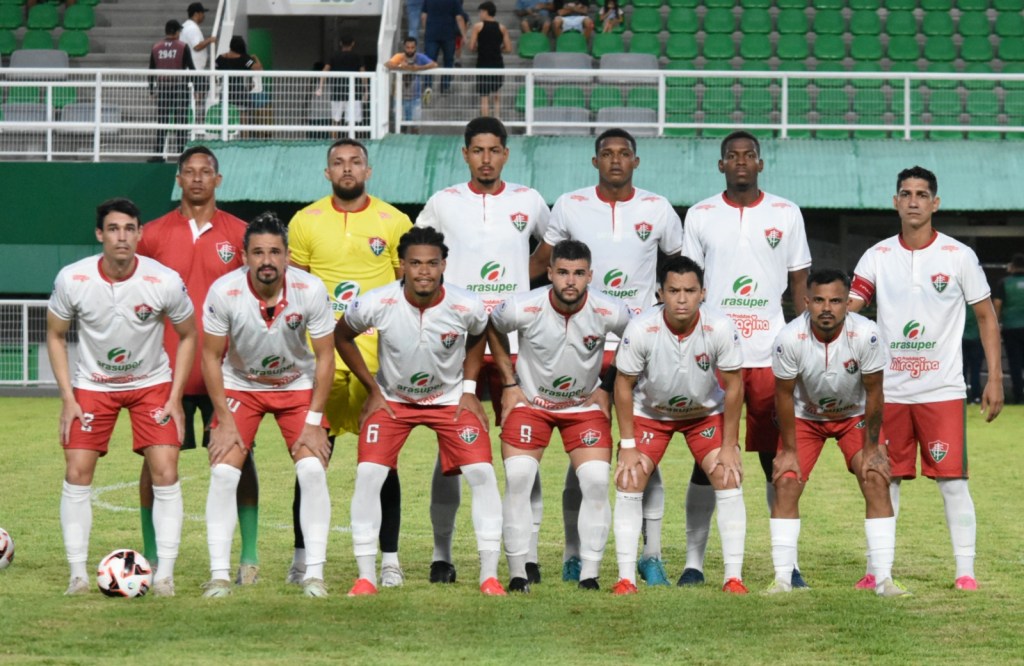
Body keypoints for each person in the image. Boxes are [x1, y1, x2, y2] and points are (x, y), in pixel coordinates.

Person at [531, 128, 683, 587]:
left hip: (642, 344)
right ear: (594, 161)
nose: (616, 160)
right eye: (607, 153)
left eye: (624, 154)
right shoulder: (570, 205)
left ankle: (651, 555)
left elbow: (679, 271)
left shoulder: (658, 208)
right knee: (585, 457)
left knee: (645, 452)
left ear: (636, 161)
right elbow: (539, 265)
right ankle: (573, 553)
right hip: (584, 343)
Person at [849, 165, 1004, 590]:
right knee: (884, 479)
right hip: (890, 392)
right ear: (895, 202)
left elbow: (985, 317)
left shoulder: (958, 255)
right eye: (906, 193)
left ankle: (965, 572)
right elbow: (851, 307)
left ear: (935, 203)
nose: (913, 201)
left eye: (921, 194)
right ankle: (877, 570)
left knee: (953, 483)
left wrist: (993, 378)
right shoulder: (877, 256)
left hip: (942, 390)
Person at [415, 117, 550, 584]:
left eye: (494, 150)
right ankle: (442, 555)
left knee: (523, 449)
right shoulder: (443, 202)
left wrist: (519, 281)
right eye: (478, 150)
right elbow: (419, 252)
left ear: (506, 154)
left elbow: (549, 248)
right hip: (457, 342)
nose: (486, 159)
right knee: (450, 450)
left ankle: (527, 554)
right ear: (465, 154)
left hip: (517, 342)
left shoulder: (528, 200)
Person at [337, 226, 506, 597]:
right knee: (368, 474)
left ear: (444, 265)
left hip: (449, 400)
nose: (424, 271)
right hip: (393, 400)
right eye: (415, 263)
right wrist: (372, 388)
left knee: (482, 473)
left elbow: (479, 333)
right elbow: (342, 335)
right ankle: (365, 578)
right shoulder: (376, 302)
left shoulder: (466, 305)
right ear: (402, 265)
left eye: (432, 263)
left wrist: (469, 390)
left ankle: (489, 577)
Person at [680, 130, 812, 588]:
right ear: (721, 165)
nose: (740, 161)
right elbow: (688, 283)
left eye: (749, 155)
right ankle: (694, 564)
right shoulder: (700, 215)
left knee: (776, 462)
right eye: (732, 156)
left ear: (760, 163)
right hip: (717, 356)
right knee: (708, 462)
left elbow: (800, 283)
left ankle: (787, 565)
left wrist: (802, 339)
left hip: (771, 356)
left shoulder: (786, 212)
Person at [47, 197, 198, 597]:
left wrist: (175, 397)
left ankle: (165, 576)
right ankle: (78, 576)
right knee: (77, 472)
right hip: (93, 385)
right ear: (100, 234)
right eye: (113, 229)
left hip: (151, 382)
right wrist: (68, 397)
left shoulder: (163, 280)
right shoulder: (73, 279)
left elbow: (188, 335)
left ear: (140, 233)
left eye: (130, 229)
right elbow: (55, 334)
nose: (122, 237)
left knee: (166, 471)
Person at [288, 138, 413, 587]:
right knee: (310, 462)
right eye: (338, 163)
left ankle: (390, 561)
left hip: (375, 365)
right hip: (319, 360)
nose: (347, 169)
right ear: (327, 173)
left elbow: (404, 291)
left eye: (355, 162)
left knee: (382, 464)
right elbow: (296, 289)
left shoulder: (394, 221)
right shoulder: (305, 221)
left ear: (368, 171)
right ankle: (302, 560)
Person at [136, 146, 262, 585]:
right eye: (188, 171)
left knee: (238, 460)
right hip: (164, 372)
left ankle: (248, 557)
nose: (196, 178)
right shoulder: (151, 235)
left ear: (218, 180)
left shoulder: (241, 235)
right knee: (156, 463)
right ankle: (151, 556)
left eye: (205, 171)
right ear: (178, 179)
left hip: (225, 373)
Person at [200, 213, 336, 598]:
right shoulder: (224, 292)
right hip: (241, 385)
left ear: (288, 256)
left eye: (275, 252)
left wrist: (314, 421)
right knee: (223, 473)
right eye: (258, 252)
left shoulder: (311, 289)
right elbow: (210, 357)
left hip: (296, 385)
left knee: (312, 470)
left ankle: (314, 575)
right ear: (244, 257)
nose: (267, 261)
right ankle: (219, 576)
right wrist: (224, 419)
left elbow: (326, 357)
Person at [490, 239, 631, 592]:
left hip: (583, 407)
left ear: (590, 276)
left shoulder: (610, 310)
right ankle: (519, 573)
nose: (570, 281)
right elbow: (491, 325)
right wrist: (509, 382)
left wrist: (606, 386)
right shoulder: (522, 306)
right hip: (531, 404)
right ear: (550, 272)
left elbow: (635, 338)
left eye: (579, 273)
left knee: (596, 482)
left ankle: (589, 577)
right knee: (519, 478)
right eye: (563, 272)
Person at [611, 256, 747, 595]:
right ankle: (626, 579)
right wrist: (627, 446)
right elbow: (623, 386)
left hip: (703, 414)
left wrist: (729, 446)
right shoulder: (641, 329)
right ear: (660, 293)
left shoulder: (720, 327)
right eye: (673, 291)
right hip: (651, 414)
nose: (682, 299)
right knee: (629, 477)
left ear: (703, 293)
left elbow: (735, 387)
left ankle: (733, 578)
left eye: (690, 291)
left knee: (728, 474)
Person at [768, 269, 908, 597]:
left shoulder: (867, 335)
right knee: (786, 482)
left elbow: (875, 392)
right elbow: (783, 396)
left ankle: (883, 580)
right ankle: (782, 580)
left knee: (876, 477)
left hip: (853, 416)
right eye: (819, 300)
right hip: (805, 418)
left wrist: (872, 448)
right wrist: (789, 450)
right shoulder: (789, 338)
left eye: (835, 301)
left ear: (847, 303)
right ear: (806, 302)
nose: (826, 308)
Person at [148, 20, 194, 160]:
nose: (180, 33)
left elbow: (151, 70)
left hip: (163, 89)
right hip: (180, 89)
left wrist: (151, 89)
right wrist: (198, 87)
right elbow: (192, 68)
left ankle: (158, 154)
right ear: (175, 32)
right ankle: (182, 154)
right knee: (181, 122)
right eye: (179, 31)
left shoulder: (156, 47)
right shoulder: (183, 46)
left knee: (162, 122)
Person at [214, 35, 267, 134]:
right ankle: (244, 139)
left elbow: (214, 71)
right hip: (240, 93)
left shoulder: (220, 58)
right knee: (244, 119)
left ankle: (226, 137)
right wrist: (255, 57)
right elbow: (258, 68)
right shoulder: (244, 59)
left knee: (227, 118)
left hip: (226, 93)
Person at [315, 34, 365, 137]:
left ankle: (334, 142)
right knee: (353, 122)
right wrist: (365, 90)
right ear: (353, 44)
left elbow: (325, 70)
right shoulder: (357, 56)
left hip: (337, 92)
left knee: (335, 121)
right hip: (354, 93)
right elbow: (363, 74)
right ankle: (353, 142)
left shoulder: (333, 56)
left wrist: (320, 87)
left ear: (340, 43)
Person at [469, 2, 511, 119]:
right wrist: (498, 49)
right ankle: (497, 118)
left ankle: (485, 121)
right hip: (497, 63)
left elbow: (471, 47)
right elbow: (508, 48)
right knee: (496, 93)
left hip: (483, 63)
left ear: (485, 12)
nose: (480, 14)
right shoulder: (502, 28)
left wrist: (481, 48)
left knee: (484, 96)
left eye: (481, 12)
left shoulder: (478, 27)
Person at [385, 37, 438, 128]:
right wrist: (401, 67)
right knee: (400, 127)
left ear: (415, 47)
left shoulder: (420, 57)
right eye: (408, 47)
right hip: (399, 98)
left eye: (412, 47)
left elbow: (434, 64)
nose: (410, 50)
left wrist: (418, 68)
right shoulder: (399, 56)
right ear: (404, 47)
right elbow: (387, 64)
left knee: (415, 127)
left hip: (415, 98)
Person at [994, 253, 1024, 404]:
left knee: (1015, 363)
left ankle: (1018, 395)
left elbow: (997, 305)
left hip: (1011, 328)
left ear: (1013, 266)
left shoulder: (1004, 283)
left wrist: (996, 324)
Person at [421, 0, 467, 95]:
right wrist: (464, 35)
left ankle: (427, 86)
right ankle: (445, 86)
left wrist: (427, 30)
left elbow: (423, 16)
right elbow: (459, 18)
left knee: (429, 61)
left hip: (432, 34)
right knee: (448, 61)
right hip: (448, 35)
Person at [181, 2, 217, 113]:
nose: (204, 16)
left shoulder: (186, 26)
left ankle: (194, 113)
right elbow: (197, 46)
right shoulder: (192, 28)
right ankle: (196, 115)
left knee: (201, 89)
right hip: (194, 69)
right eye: (202, 13)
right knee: (200, 90)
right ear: (196, 14)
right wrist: (210, 40)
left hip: (191, 68)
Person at [962, 305, 983, 404]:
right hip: (976, 337)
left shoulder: (959, 303)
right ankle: (976, 396)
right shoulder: (977, 303)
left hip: (961, 339)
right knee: (975, 370)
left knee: (962, 370)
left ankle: (962, 395)